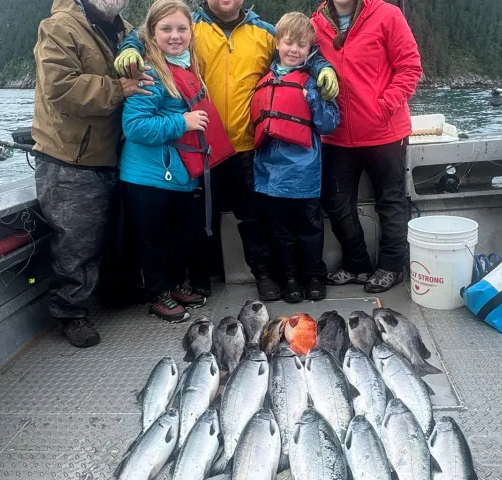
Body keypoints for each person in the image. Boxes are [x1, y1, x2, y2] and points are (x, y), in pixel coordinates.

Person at [114, 0, 340, 302]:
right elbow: (148, 33)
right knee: (196, 219)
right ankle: (197, 280)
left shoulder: (265, 33)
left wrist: (324, 68)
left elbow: (298, 51)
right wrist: (129, 47)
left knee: (253, 218)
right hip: (201, 145)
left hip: (247, 144)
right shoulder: (189, 26)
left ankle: (265, 274)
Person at [31, 0, 152, 348]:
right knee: (76, 239)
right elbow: (61, 88)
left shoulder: (125, 32)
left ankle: (116, 291)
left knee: (114, 231)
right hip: (70, 155)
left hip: (115, 152)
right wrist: (120, 88)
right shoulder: (59, 27)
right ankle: (70, 313)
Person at [119, 0, 235, 322]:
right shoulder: (149, 73)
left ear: (191, 32)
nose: (175, 36)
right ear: (151, 33)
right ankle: (157, 294)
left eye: (181, 28)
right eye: (166, 29)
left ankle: (173, 286)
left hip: (179, 174)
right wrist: (181, 122)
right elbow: (134, 127)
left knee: (179, 236)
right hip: (147, 176)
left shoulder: (188, 68)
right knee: (153, 240)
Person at [312, 0, 422, 293]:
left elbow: (410, 68)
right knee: (335, 202)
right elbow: (307, 61)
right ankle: (356, 264)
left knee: (391, 200)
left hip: (384, 132)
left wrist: (384, 107)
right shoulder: (317, 21)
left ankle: (391, 266)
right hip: (336, 135)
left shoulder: (387, 14)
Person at [251, 12, 339, 303]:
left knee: (310, 230)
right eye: (289, 43)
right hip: (269, 173)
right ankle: (289, 278)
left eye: (301, 45)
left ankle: (314, 275)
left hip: (304, 173)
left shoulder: (315, 81)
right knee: (280, 232)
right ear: (277, 43)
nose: (293, 50)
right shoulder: (263, 80)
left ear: (310, 49)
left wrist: (313, 96)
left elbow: (328, 124)